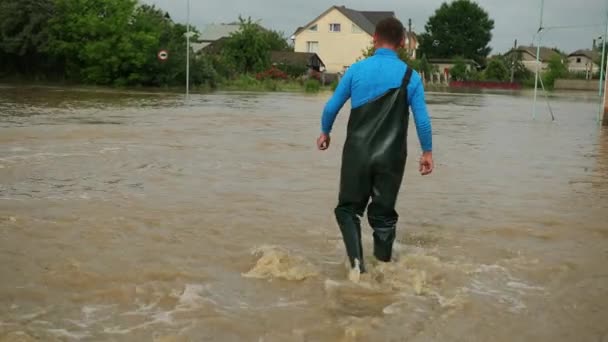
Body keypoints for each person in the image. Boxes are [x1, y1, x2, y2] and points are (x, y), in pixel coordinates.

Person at [316, 17, 433, 279]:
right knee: (383, 216)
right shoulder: (410, 77)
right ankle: (384, 268)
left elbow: (331, 107)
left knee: (347, 210)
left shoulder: (356, 71)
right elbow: (422, 119)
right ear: (402, 43)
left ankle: (357, 266)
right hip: (392, 158)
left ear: (374, 39)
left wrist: (325, 132)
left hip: (357, 154)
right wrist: (427, 152)